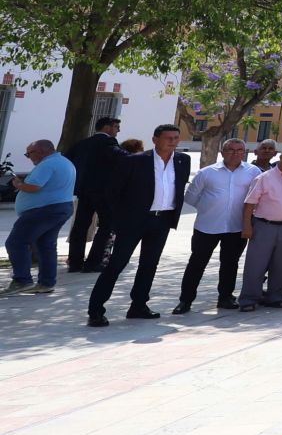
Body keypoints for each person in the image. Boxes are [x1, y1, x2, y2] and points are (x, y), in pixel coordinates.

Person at [86, 123, 191, 328]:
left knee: (149, 265)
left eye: (176, 138)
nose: (172, 142)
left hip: (162, 220)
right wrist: (119, 219)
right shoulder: (134, 161)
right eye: (168, 138)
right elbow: (112, 192)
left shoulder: (182, 160)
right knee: (116, 264)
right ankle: (96, 310)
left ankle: (139, 305)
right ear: (155, 140)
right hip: (133, 221)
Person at [172, 138, 260, 313]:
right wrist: (210, 207)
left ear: (244, 153)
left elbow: (257, 196)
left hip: (236, 227)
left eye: (239, 150)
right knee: (197, 263)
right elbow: (191, 197)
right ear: (222, 152)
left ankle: (225, 297)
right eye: (230, 150)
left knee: (230, 264)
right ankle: (185, 300)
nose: (234, 153)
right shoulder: (207, 172)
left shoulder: (253, 172)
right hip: (207, 226)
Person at [4, 139, 76, 295]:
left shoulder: (47, 164)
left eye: (29, 153)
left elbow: (34, 187)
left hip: (43, 211)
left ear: (41, 151)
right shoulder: (64, 162)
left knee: (16, 242)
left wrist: (18, 184)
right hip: (60, 207)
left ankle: (22, 280)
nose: (28, 157)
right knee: (45, 245)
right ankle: (46, 282)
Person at [237, 148, 282, 310]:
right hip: (264, 226)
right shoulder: (264, 178)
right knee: (256, 264)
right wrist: (246, 226)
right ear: (281, 157)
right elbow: (249, 204)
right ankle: (248, 299)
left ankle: (275, 297)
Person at [63, 115, 122, 272]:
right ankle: (94, 262)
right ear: (107, 127)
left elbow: (68, 161)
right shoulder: (109, 142)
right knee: (107, 225)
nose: (118, 131)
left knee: (80, 225)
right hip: (104, 191)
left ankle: (75, 262)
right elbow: (121, 160)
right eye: (116, 127)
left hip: (83, 190)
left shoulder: (82, 144)